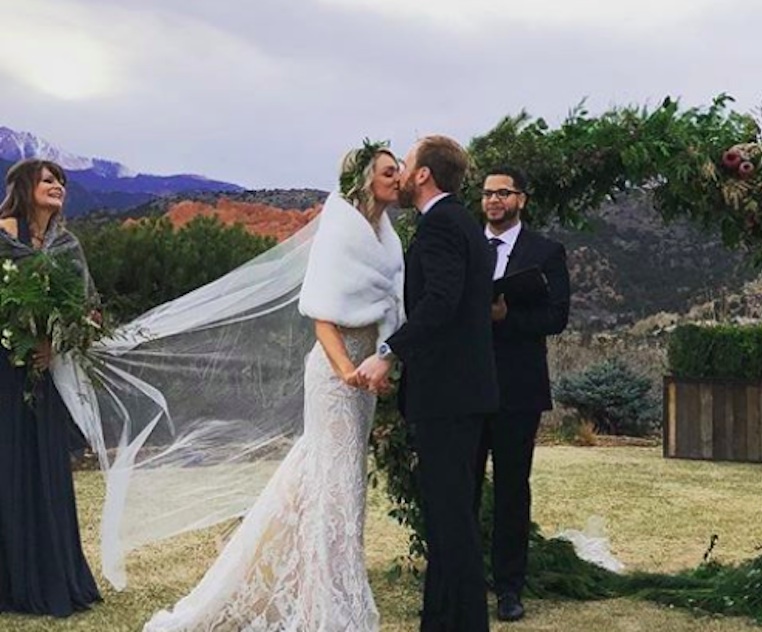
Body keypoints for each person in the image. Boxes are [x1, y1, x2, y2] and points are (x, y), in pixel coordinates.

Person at [143, 145, 405, 631]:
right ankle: (326, 610)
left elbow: (388, 306)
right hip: (334, 372)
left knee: (329, 480)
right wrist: (349, 368)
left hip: (364, 371)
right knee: (334, 486)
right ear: (366, 179)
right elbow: (322, 318)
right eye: (390, 171)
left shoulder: (386, 236)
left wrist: (382, 362)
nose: (399, 178)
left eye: (400, 170)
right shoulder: (341, 230)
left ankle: (319, 592)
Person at [357, 135, 498, 632]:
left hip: (447, 395)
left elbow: (440, 302)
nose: (401, 171)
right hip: (467, 392)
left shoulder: (440, 227)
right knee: (449, 518)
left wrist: (388, 352)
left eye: (408, 162)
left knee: (451, 520)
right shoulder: (464, 224)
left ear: (423, 175)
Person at [0, 159, 103, 617]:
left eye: (61, 181)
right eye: (47, 180)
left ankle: (50, 575)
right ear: (25, 187)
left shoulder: (68, 245)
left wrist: (54, 341)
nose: (58, 186)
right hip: (4, 369)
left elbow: (87, 308)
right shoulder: (2, 235)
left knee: (44, 470)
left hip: (43, 373)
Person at [473, 166, 570, 622]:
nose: (494, 200)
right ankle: (463, 582)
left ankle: (510, 589)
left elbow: (556, 317)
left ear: (521, 200)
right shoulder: (466, 246)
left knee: (513, 490)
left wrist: (505, 319)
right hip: (464, 387)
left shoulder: (545, 251)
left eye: (504, 193)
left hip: (518, 390)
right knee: (462, 490)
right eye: (488, 193)